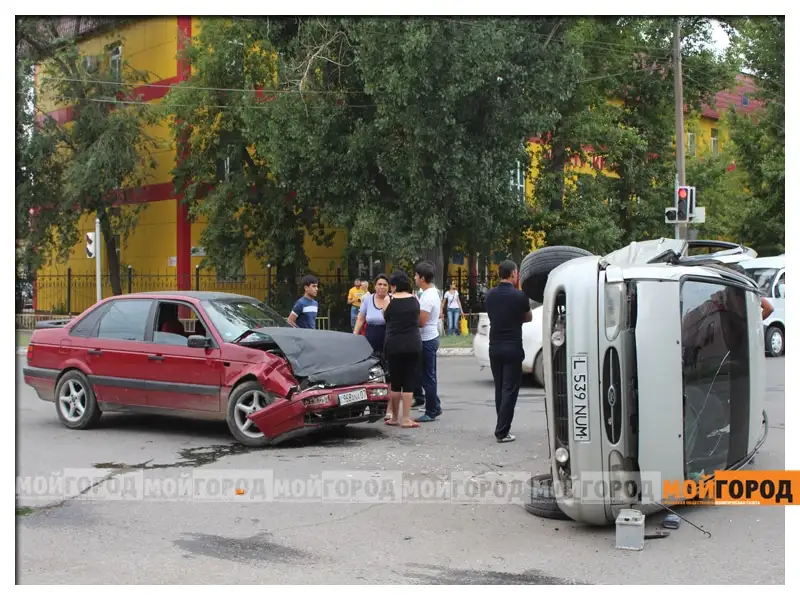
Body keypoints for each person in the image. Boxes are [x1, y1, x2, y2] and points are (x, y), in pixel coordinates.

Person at [484, 260, 532, 443]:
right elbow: (528, 317)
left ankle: (501, 424)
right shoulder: (519, 296)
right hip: (512, 346)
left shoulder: (490, 295)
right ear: (513, 274)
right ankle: (502, 431)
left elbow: (492, 315)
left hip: (494, 346)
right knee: (510, 389)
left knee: (500, 387)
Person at [382, 271, 422, 428]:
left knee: (396, 381)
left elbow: (386, 319)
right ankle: (406, 419)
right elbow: (417, 319)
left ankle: (394, 418)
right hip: (412, 343)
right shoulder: (414, 299)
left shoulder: (388, 300)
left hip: (393, 344)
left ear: (393, 285)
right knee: (409, 380)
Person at [413, 261, 442, 423]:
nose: (415, 278)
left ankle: (431, 411)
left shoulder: (427, 297)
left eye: (416, 275)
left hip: (427, 339)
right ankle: (435, 405)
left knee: (427, 377)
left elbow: (421, 321)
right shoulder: (432, 292)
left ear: (422, 278)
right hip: (431, 336)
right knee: (428, 375)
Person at [354, 274, 390, 354]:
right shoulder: (367, 299)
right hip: (370, 339)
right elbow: (360, 319)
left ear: (388, 287)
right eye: (379, 284)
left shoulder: (392, 300)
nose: (382, 287)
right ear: (375, 286)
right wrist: (354, 336)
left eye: (385, 285)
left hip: (387, 340)